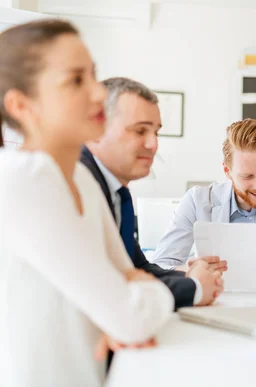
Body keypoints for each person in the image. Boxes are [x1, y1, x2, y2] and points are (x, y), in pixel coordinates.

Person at [0, 20, 171, 387]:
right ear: (21, 105)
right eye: (76, 80)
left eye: (93, 74)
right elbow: (130, 316)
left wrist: (129, 299)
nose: (98, 93)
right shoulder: (22, 179)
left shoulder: (80, 177)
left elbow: (128, 278)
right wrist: (139, 300)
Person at [82, 77, 224, 310]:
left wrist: (192, 277)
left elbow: (138, 269)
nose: (153, 144)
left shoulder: (117, 191)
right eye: (140, 131)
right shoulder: (81, 182)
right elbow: (109, 287)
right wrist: (195, 288)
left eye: (155, 132)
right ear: (96, 127)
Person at [152, 118, 256, 268]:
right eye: (247, 176)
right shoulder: (196, 200)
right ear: (227, 171)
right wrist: (192, 271)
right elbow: (161, 265)